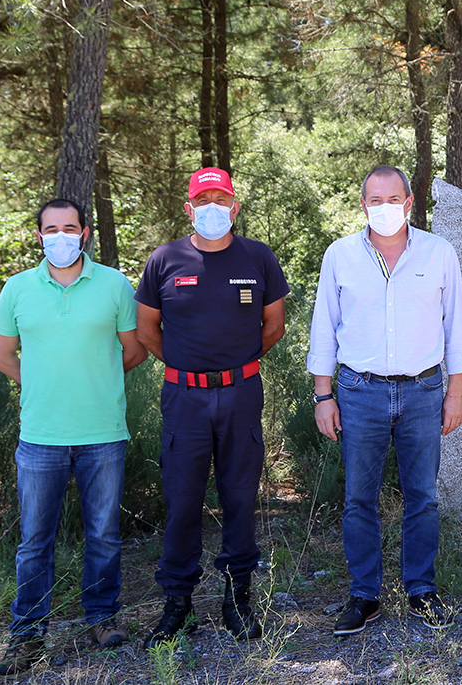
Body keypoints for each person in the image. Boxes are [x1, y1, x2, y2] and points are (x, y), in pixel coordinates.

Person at [308, 165, 462, 635]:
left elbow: (455, 325)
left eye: (393, 199)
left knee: (422, 496)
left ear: (409, 203)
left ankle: (421, 590)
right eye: (375, 201)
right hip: (359, 392)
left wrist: (455, 391)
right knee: (360, 498)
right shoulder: (340, 255)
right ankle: (365, 596)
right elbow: (324, 328)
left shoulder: (439, 253)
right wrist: (324, 395)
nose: (385, 208)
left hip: (423, 390)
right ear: (363, 205)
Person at [0, 199, 147, 675]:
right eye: (51, 229)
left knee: (104, 534)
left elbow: (135, 349)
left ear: (85, 233)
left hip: (103, 433)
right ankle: (27, 636)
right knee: (36, 540)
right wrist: (43, 384)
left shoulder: (115, 285)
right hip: (41, 437)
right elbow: (1, 357)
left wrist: (95, 380)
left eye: (70, 228)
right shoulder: (17, 289)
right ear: (39, 235)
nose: (61, 236)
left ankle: (101, 619)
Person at [135, 167, 289, 646]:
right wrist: (190, 369)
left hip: (241, 394)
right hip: (184, 398)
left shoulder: (258, 257)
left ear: (235, 207)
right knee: (182, 501)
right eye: (204, 201)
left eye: (221, 200)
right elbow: (147, 331)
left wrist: (231, 370)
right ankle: (177, 604)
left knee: (240, 497)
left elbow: (273, 326)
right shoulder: (165, 260)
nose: (213, 209)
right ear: (189, 209)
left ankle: (236, 598)